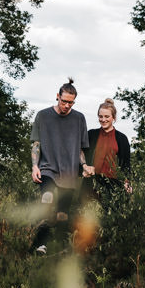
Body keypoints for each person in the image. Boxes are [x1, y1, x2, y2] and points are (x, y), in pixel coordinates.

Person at [30, 78, 92, 253]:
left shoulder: (79, 118)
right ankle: (40, 244)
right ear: (57, 96)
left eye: (70, 103)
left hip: (69, 173)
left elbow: (80, 149)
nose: (66, 106)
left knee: (62, 214)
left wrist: (85, 165)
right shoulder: (43, 115)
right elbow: (36, 144)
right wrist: (35, 166)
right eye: (64, 101)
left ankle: (59, 246)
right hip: (48, 168)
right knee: (47, 199)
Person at [85, 98, 132, 202]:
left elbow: (126, 163)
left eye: (107, 116)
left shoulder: (121, 138)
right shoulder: (91, 134)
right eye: (100, 116)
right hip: (91, 183)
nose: (103, 119)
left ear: (113, 118)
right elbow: (81, 154)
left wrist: (127, 182)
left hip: (113, 184)